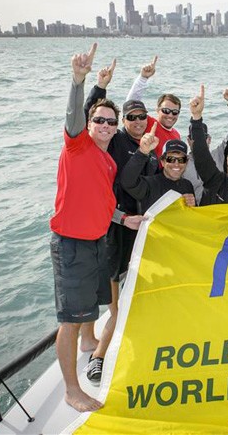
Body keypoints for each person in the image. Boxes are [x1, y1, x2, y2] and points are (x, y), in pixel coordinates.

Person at [49, 43, 131, 412]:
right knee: (70, 319)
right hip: (72, 244)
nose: (105, 126)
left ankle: (89, 343)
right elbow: (73, 116)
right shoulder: (77, 145)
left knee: (89, 310)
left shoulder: (108, 161)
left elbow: (104, 202)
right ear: (90, 123)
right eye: (99, 120)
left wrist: (123, 219)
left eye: (111, 122)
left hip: (97, 241)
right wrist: (79, 81)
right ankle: (72, 389)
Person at [81, 60, 156, 385]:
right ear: (123, 122)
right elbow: (93, 117)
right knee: (114, 296)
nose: (138, 122)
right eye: (132, 118)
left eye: (143, 117)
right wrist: (102, 85)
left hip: (133, 224)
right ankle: (97, 357)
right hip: (113, 224)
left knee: (114, 283)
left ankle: (88, 337)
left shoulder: (148, 147)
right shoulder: (116, 139)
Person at [120, 123, 196, 212]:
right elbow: (127, 182)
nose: (176, 164)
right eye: (171, 159)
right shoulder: (150, 184)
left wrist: (193, 205)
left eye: (181, 160)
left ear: (186, 163)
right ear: (163, 162)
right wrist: (142, 152)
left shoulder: (187, 185)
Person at [124, 55, 182, 159]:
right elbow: (131, 105)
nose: (170, 115)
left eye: (174, 112)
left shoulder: (176, 135)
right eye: (166, 110)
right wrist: (143, 78)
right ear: (157, 110)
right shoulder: (149, 124)